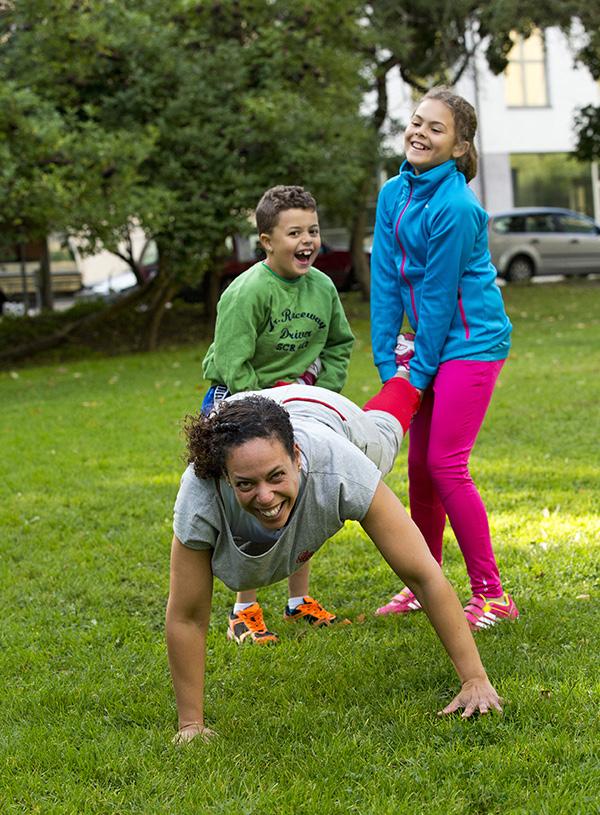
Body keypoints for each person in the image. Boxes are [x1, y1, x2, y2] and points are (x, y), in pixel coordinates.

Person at [166, 378, 503, 745]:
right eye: (246, 484)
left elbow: (423, 575)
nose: (265, 496)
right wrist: (191, 725)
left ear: (296, 457)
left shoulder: (341, 465)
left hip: (334, 418)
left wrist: (474, 679)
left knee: (387, 428)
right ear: (225, 478)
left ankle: (408, 377)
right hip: (260, 413)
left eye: (276, 476)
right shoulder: (201, 493)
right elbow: (187, 615)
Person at [370, 87, 518, 630]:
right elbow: (385, 277)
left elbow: (436, 297)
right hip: (427, 346)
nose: (419, 133)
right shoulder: (393, 193)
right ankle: (423, 583)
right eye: (416, 122)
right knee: (419, 468)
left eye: (436, 128)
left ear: (459, 147)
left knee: (445, 464)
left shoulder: (457, 207)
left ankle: (493, 595)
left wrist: (417, 374)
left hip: (471, 343)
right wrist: (391, 366)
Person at [201, 185, 355, 644]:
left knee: (301, 495)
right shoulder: (247, 292)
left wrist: (322, 394)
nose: (307, 240)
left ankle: (296, 602)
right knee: (255, 502)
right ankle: (243, 610)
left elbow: (340, 344)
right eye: (294, 232)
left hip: (296, 402)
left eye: (313, 230)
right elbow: (232, 362)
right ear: (267, 240)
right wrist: (267, 412)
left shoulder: (323, 287)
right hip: (238, 400)